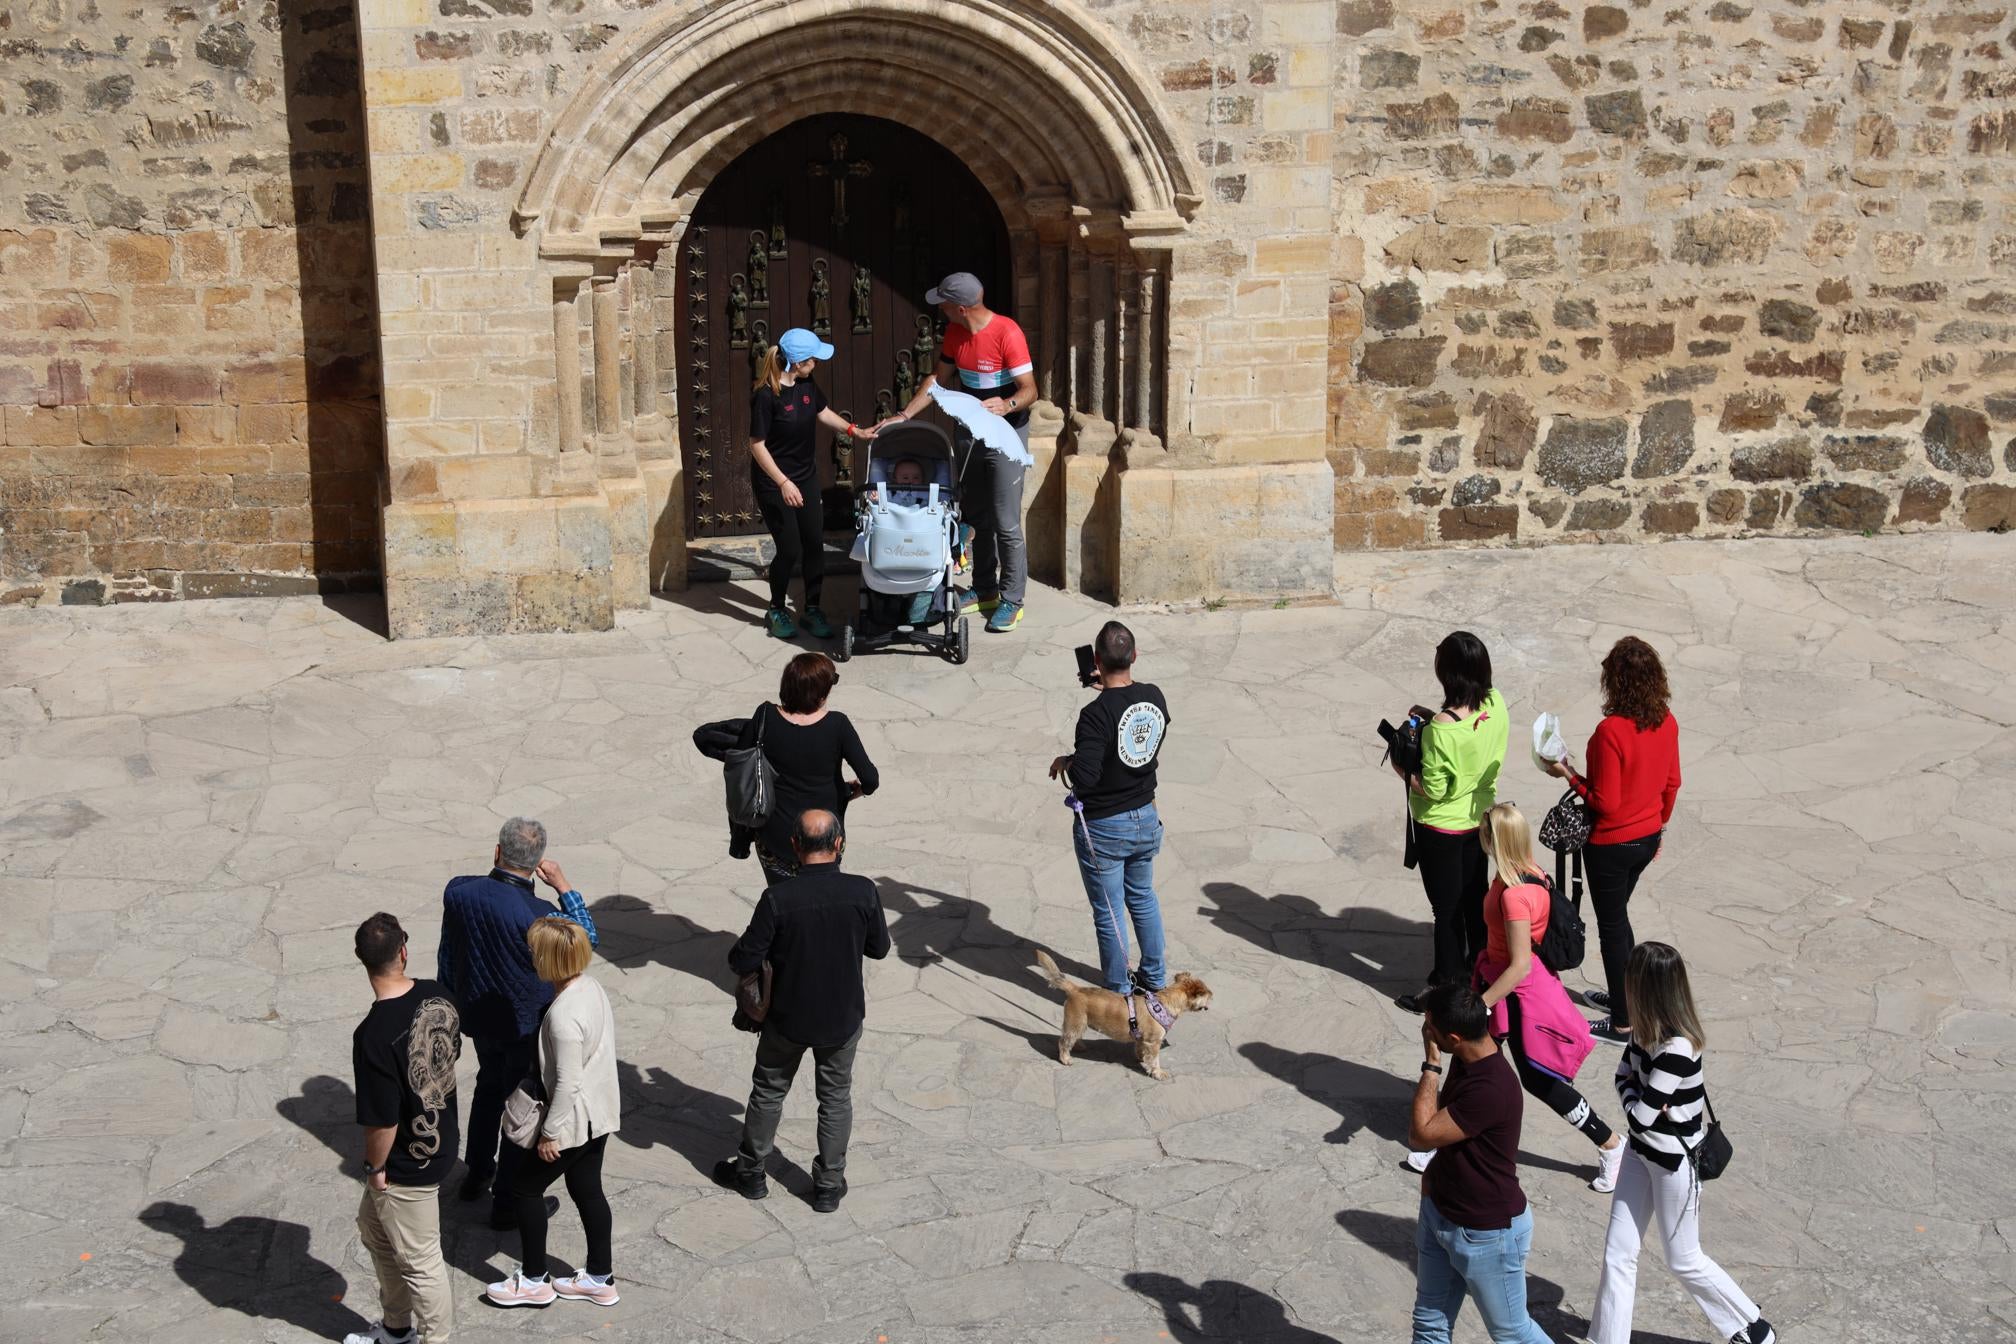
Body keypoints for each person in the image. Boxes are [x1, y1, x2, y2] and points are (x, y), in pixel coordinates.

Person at [1589, 943, 1776, 1344]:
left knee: (1684, 1260)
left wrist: (1639, 1102)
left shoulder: (1678, 1047)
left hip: (1675, 1164)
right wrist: (1641, 1100)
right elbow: (1623, 1083)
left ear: (1646, 986)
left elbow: (1638, 1113)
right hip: (1640, 1154)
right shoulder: (1644, 1031)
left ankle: (1753, 1327)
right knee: (1618, 1252)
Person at [714, 809, 891, 1212]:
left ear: (794, 845)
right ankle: (828, 1185)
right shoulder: (863, 891)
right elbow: (879, 948)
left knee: (769, 1092)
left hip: (787, 1020)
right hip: (842, 1018)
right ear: (839, 844)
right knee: (834, 1098)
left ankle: (752, 1173)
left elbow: (744, 958)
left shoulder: (778, 899)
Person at [436, 818, 597, 1229]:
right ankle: (506, 1202)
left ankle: (477, 1173)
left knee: (488, 1091)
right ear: (539, 864)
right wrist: (563, 886)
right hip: (526, 1028)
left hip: (479, 1017)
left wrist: (451, 1000)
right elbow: (588, 940)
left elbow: (448, 956)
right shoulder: (539, 915)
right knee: (520, 1109)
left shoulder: (458, 891)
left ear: (497, 852)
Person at [1465, 802, 1624, 1192]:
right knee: (1473, 1060)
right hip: (1504, 984)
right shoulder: (1527, 872)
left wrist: (1481, 1003)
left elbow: (1519, 964)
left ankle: (1611, 1143)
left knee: (1537, 1078)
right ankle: (1448, 1136)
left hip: (1514, 993)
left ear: (1494, 840)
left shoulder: (1513, 895)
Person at [1540, 636, 1681, 1043]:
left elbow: (1606, 802)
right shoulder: (1666, 721)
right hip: (1646, 838)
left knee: (1613, 928)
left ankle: (1623, 1022)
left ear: (1614, 682)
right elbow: (1672, 783)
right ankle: (1625, 998)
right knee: (1619, 922)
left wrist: (1567, 774)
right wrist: (1658, 829)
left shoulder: (1609, 733)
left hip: (1611, 847)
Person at [888, 271, 1036, 634]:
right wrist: (904, 414)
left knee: (1006, 520)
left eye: (943, 303)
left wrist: (1009, 403)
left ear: (959, 306)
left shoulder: (1007, 332)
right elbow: (937, 381)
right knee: (977, 515)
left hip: (1005, 434)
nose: (940, 310)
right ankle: (985, 590)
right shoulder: (955, 333)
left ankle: (1012, 600)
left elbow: (1030, 389)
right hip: (970, 432)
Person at [486, 917, 623, 1309]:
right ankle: (600, 1277)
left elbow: (566, 1082)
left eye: (534, 950)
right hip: (600, 1115)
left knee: (524, 1189)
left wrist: (550, 1134)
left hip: (574, 1120)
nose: (529, 954)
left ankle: (533, 1280)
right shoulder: (591, 987)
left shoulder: (563, 1017)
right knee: (586, 1188)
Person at [1406, 982, 1551, 1344]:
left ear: (1453, 1038)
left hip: (1488, 1234)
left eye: (1431, 1029)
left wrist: (1431, 1064)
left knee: (1512, 1333)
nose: (1427, 1033)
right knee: (1429, 1324)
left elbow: (1421, 1134)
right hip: (1441, 1213)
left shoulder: (1491, 1088)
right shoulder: (1470, 1053)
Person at [348, 913, 459, 1344]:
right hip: (442, 1140)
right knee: (375, 1231)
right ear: (404, 951)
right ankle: (396, 1328)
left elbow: (383, 1120)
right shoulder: (438, 996)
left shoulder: (373, 1035)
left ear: (362, 961)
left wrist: (373, 1168)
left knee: (421, 1262)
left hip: (406, 1165)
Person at [1047, 621, 1171, 999]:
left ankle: (1118, 989)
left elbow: (1086, 775)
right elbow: (1138, 737)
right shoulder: (1155, 697)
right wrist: (1110, 695)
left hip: (1105, 826)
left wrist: (1067, 762)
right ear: (1134, 656)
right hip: (1145, 816)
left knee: (1110, 909)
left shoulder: (1095, 715)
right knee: (1143, 898)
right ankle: (1155, 976)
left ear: (1097, 662)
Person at [1394, 631, 1508, 1015]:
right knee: (1474, 900)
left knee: (1445, 910)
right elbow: (1474, 738)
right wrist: (1433, 718)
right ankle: (1479, 972)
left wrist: (1401, 768)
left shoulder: (1442, 729)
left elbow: (1434, 788)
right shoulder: (1496, 704)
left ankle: (1447, 985)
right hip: (1476, 822)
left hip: (1440, 828)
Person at [749, 326, 874, 641]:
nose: (817, 363)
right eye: (812, 359)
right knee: (789, 547)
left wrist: (853, 431)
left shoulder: (806, 384)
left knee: (813, 544)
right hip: (775, 481)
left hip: (804, 476)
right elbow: (757, 445)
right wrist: (782, 483)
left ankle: (813, 609)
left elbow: (823, 412)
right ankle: (777, 608)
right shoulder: (766, 395)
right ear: (795, 362)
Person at [735, 651, 879, 887]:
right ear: (821, 693)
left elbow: (741, 760)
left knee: (781, 898)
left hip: (776, 835)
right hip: (824, 837)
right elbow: (870, 780)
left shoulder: (765, 716)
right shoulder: (838, 725)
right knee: (821, 898)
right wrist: (850, 792)